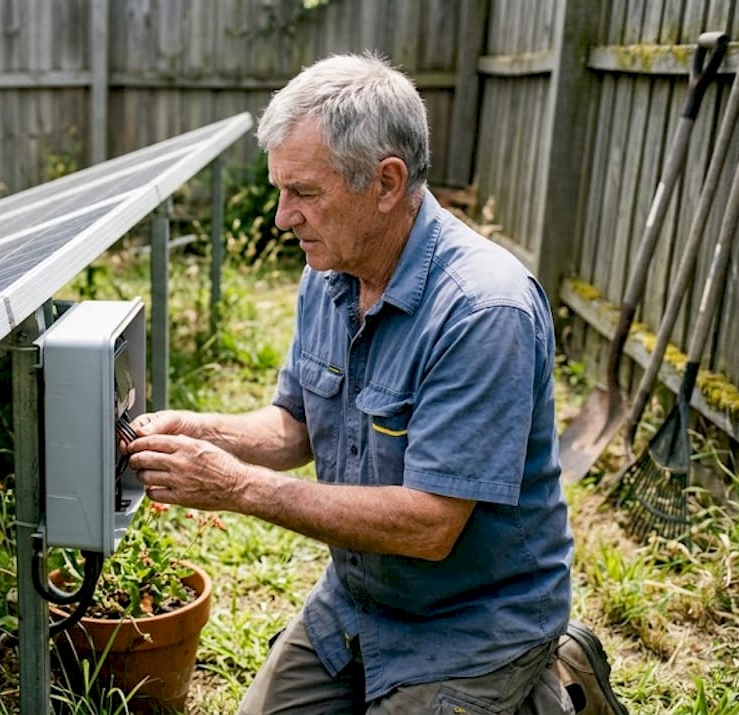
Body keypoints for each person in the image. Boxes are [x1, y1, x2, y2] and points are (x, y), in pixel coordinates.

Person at [124, 52, 628, 714]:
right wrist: (199, 429)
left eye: (304, 193)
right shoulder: (328, 273)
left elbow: (429, 525)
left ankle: (547, 676)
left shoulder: (483, 309)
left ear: (386, 182)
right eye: (282, 191)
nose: (283, 217)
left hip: (475, 623)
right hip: (359, 600)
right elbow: (294, 425)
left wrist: (236, 486)